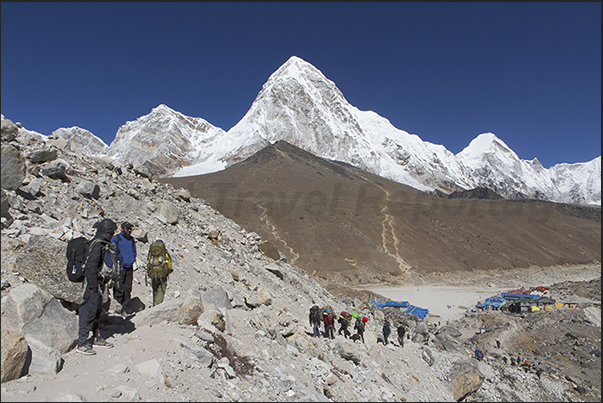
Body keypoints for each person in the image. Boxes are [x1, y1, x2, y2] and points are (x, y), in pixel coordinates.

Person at [77, 218, 117, 355]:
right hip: (92, 285)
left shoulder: (101, 244)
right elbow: (91, 267)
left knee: (97, 311)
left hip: (99, 283)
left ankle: (96, 337)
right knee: (88, 311)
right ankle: (82, 343)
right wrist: (93, 287)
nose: (113, 235)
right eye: (112, 232)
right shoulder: (97, 245)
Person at [111, 221, 137, 315]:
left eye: (130, 229)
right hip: (119, 267)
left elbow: (134, 251)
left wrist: (133, 258)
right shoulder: (116, 239)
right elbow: (111, 250)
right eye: (127, 229)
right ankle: (118, 307)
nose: (129, 231)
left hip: (129, 267)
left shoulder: (131, 239)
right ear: (122, 229)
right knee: (119, 287)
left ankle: (126, 306)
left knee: (128, 287)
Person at [147, 239, 173, 306]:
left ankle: (154, 303)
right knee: (161, 290)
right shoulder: (164, 253)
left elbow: (148, 262)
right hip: (162, 275)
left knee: (154, 290)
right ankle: (157, 305)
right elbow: (169, 263)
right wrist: (168, 270)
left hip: (153, 274)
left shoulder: (151, 253)